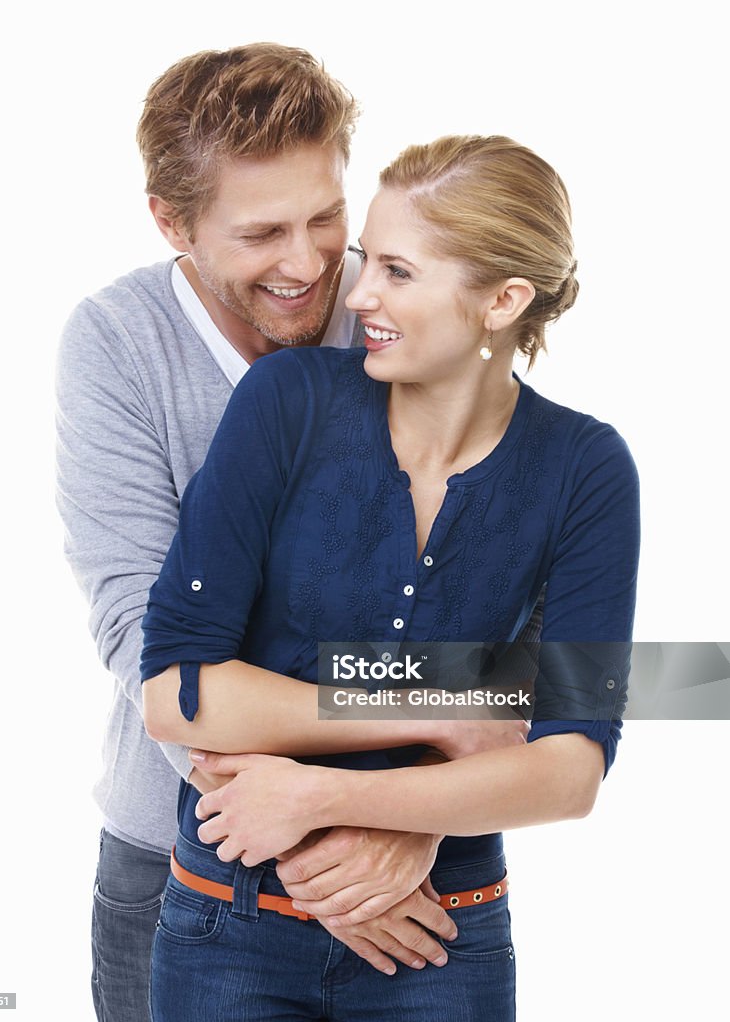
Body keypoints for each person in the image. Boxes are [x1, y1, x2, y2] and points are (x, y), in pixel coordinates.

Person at [56, 44, 524, 1022]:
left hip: (410, 872)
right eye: (263, 232)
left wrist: (413, 815)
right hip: (185, 870)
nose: (309, 264)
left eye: (326, 217)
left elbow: (523, 640)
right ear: (170, 223)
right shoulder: (114, 344)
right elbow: (144, 651)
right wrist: (314, 836)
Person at [140, 134, 641, 1021]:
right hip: (232, 927)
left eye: (398, 273)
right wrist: (453, 708)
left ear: (505, 300)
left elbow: (570, 766)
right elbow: (178, 695)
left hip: (443, 938)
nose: (357, 292)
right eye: (369, 259)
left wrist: (339, 798)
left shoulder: (587, 467)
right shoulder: (287, 399)